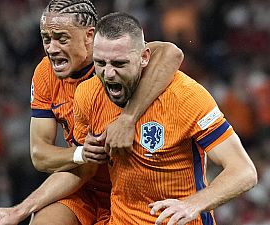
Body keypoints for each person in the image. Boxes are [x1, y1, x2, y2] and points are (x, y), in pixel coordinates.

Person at [0, 0, 184, 224]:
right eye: (46, 39)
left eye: (62, 38)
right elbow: (40, 154)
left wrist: (128, 118)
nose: (51, 48)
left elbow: (171, 53)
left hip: (134, 189)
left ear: (89, 36)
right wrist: (81, 153)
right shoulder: (45, 73)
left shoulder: (117, 62)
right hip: (81, 183)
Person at [70, 12, 257, 224]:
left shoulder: (185, 96)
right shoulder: (87, 94)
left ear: (144, 57)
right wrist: (83, 154)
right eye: (100, 63)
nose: (108, 73)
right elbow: (82, 172)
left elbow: (243, 171)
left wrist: (192, 204)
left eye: (119, 63)